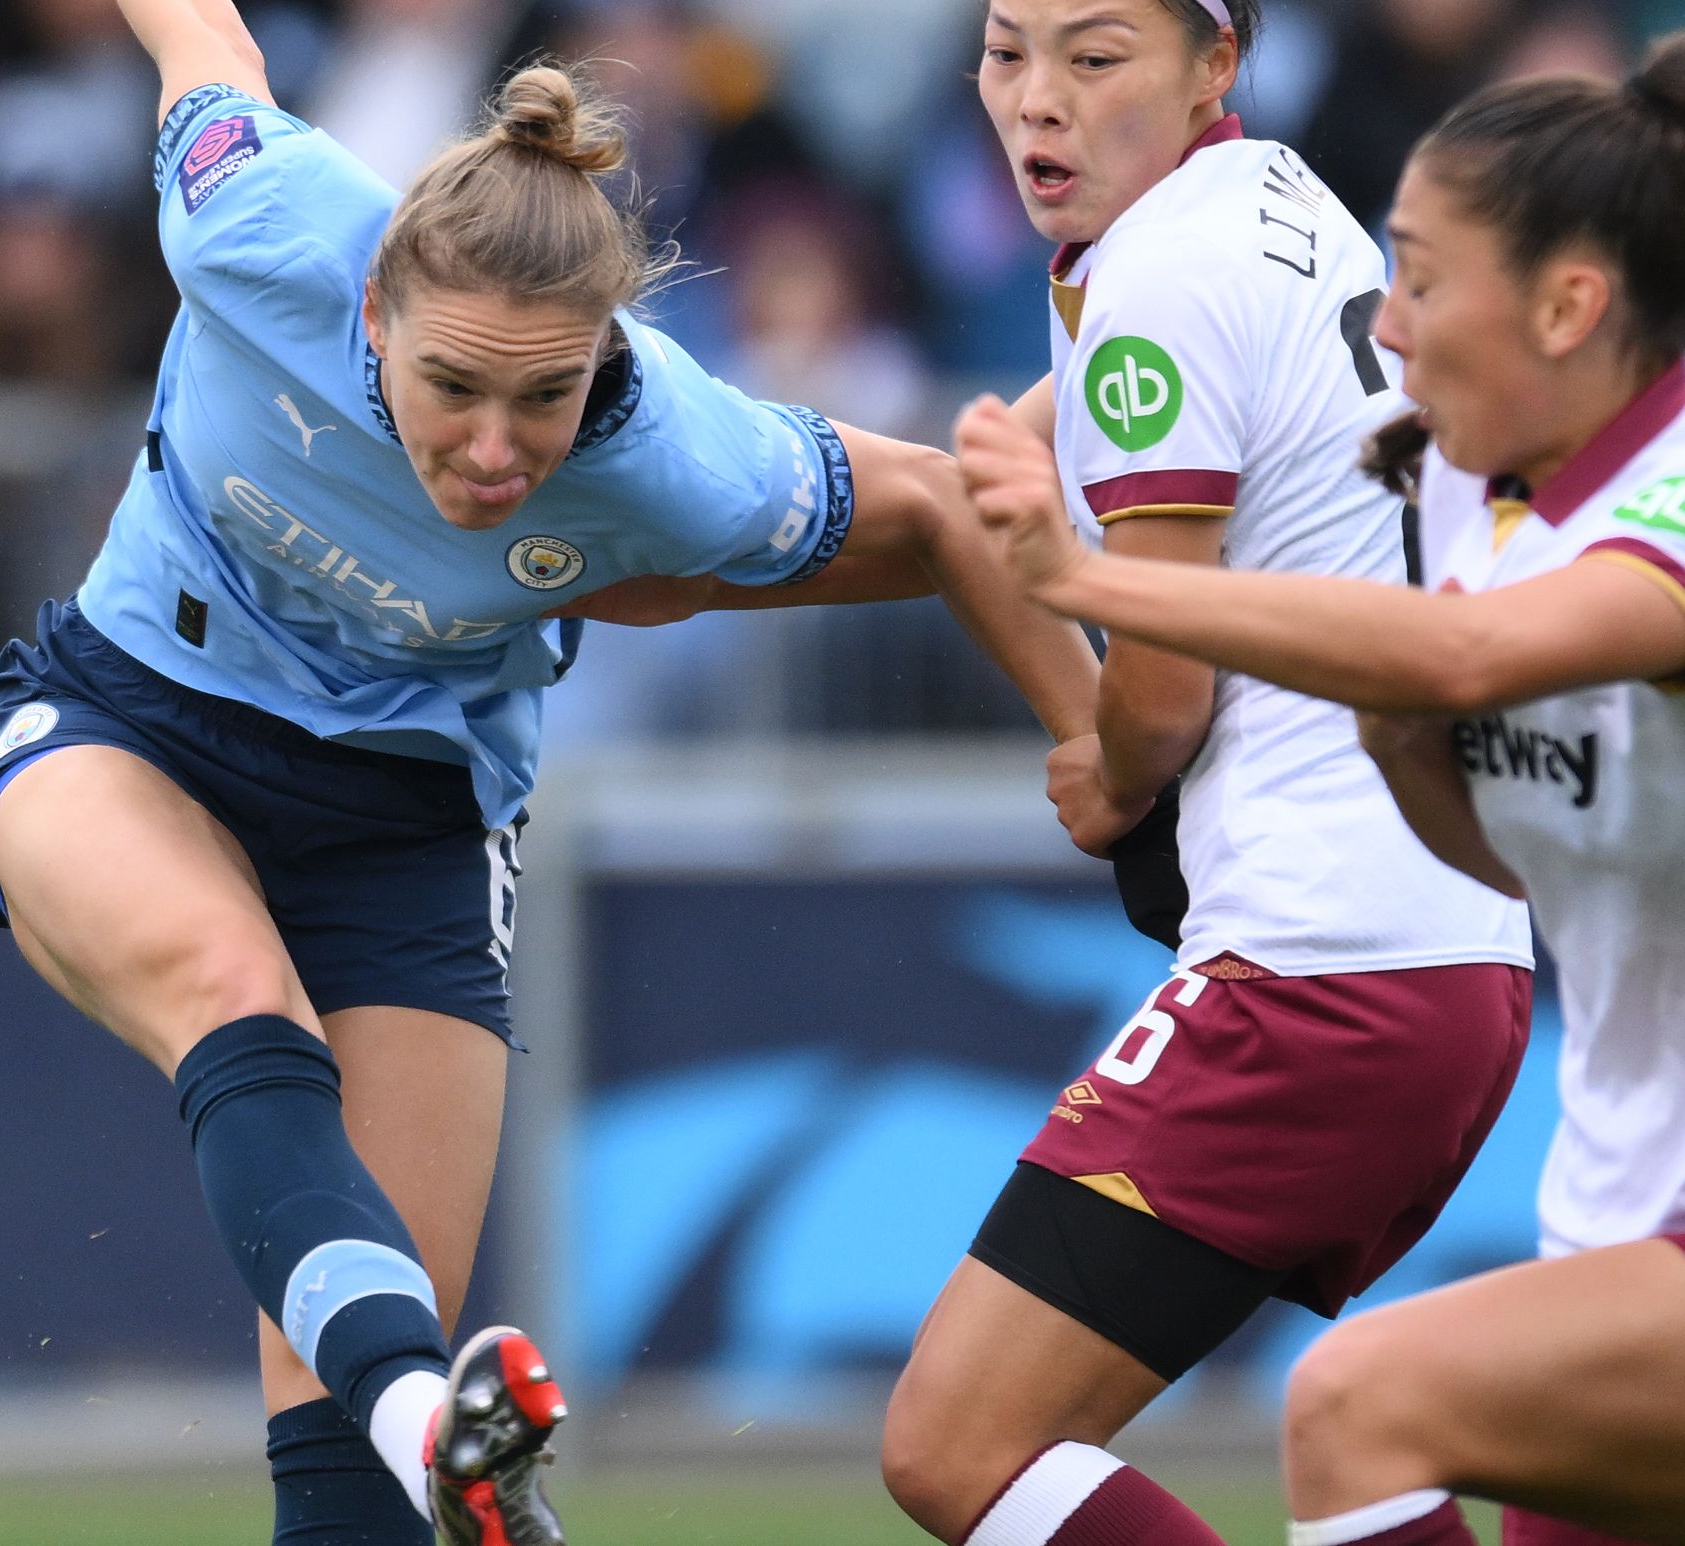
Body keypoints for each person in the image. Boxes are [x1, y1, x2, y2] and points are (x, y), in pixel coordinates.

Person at [0, 5, 1103, 1545]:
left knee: (350, 1500)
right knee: (232, 992)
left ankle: (416, 1445)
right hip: (134, 718)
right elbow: (200, 35)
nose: (498, 449)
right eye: (454, 386)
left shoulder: (674, 446)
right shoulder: (261, 219)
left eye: (544, 398)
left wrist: (1101, 738)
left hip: (414, 824)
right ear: (373, 310)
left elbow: (951, 508)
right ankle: (440, 1428)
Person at [955, 33, 1685, 1546]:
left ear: (1569, 306)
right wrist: (1399, 736)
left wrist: (1087, 581)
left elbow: (1467, 655)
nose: (1387, 323)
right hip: (1648, 1231)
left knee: (1358, 1403)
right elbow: (1499, 841)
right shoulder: (1475, 492)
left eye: (1419, 278)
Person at [575, 4, 1532, 1543]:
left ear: (1216, 65)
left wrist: (1108, 760)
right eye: (1008, 51)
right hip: (1434, 960)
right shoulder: (1266, 205)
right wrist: (672, 562)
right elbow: (964, 498)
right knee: (1332, 1438)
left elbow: (1162, 685)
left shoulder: (1161, 277)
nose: (1035, 100)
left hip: (1322, 969)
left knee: (961, 1443)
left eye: (1093, 59)